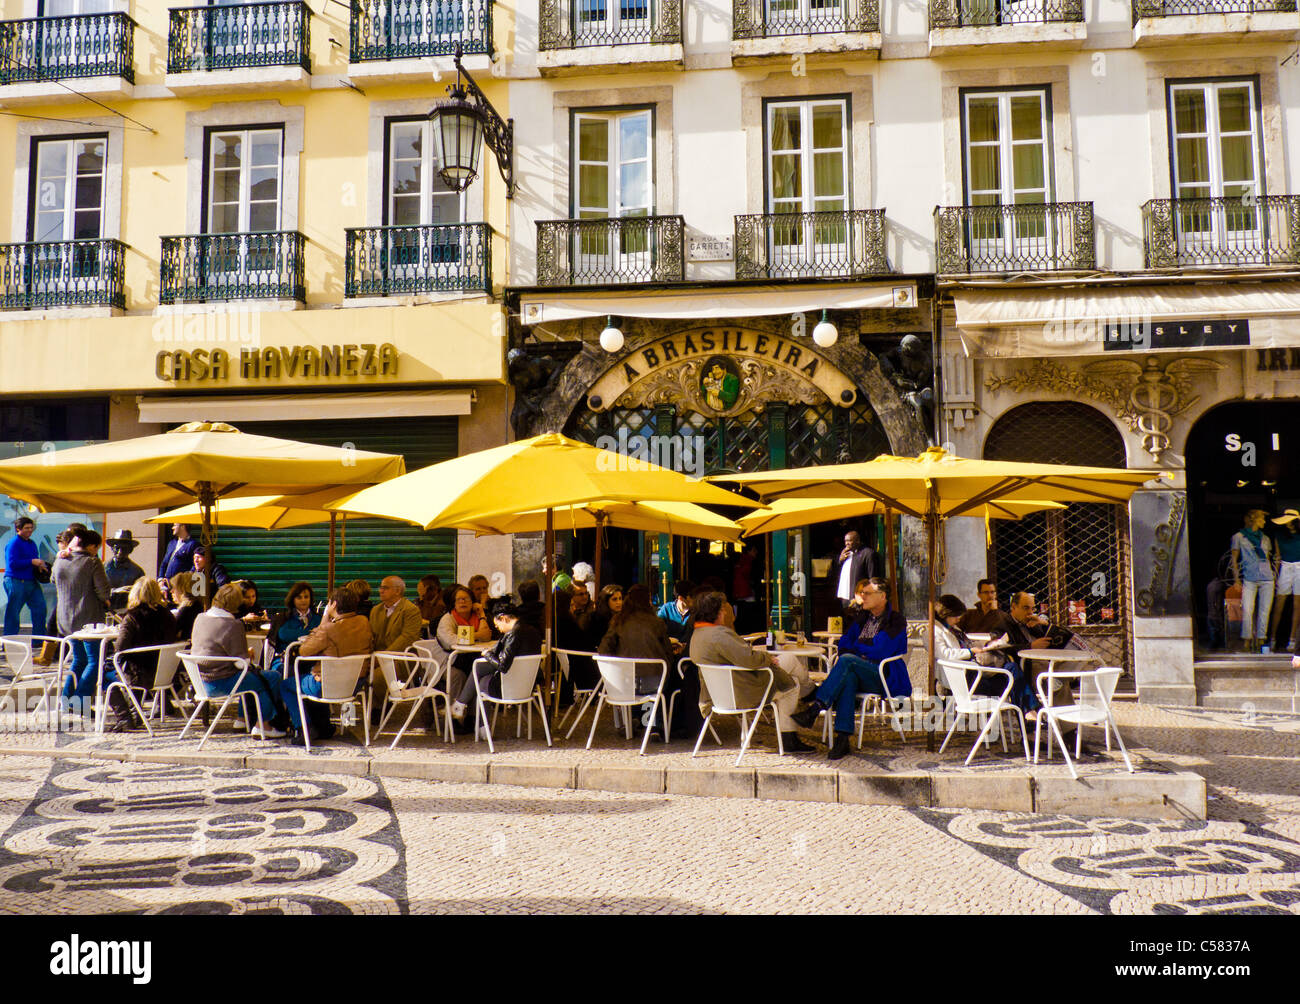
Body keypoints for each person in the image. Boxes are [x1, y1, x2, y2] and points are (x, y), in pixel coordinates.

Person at [793, 577, 909, 760]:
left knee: (847, 661)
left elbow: (880, 651)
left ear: (883, 596)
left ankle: (816, 706)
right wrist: (861, 649)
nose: (863, 596)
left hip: (882, 676)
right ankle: (842, 739)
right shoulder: (862, 618)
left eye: (868, 593)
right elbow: (844, 643)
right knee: (848, 678)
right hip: (858, 671)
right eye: (862, 593)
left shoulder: (895, 620)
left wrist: (857, 648)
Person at [688, 590, 810, 751]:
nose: (725, 612)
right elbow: (749, 659)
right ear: (715, 612)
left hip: (719, 695)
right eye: (722, 609)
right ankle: (791, 732)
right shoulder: (719, 634)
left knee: (789, 662)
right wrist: (767, 658)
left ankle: (810, 693)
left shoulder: (697, 634)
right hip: (743, 694)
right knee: (792, 683)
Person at [190, 582, 284, 739]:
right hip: (221, 683)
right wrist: (247, 654)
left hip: (200, 681)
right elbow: (242, 663)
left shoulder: (200, 617)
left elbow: (213, 648)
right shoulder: (233, 625)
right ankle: (264, 725)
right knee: (271, 677)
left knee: (251, 677)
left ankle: (242, 719)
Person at [283, 585, 373, 742]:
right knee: (316, 678)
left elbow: (304, 651)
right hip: (355, 685)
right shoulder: (364, 622)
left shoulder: (328, 629)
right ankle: (324, 727)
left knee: (286, 685)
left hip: (328, 687)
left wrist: (324, 618)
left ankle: (303, 728)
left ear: (334, 605)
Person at [597, 584, 682, 738]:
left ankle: (638, 718)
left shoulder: (618, 622)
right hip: (653, 681)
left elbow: (604, 650)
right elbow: (668, 653)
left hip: (623, 684)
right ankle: (653, 724)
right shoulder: (657, 623)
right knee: (665, 680)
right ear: (647, 602)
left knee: (642, 680)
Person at [933, 594, 1037, 718]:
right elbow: (946, 654)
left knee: (1012, 669)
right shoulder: (933, 632)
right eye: (955, 616)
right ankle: (1031, 712)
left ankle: (1029, 714)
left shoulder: (953, 628)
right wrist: (971, 651)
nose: (958, 619)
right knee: (1012, 675)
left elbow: (967, 644)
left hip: (973, 673)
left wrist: (987, 645)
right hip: (965, 679)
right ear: (945, 614)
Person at [109, 577, 181, 731]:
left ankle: (125, 717)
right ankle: (153, 707)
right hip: (165, 674)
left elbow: (120, 648)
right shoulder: (168, 615)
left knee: (104, 674)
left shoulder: (132, 617)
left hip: (140, 674)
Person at [54, 528, 112, 712]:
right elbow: (104, 592)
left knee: (79, 660)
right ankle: (79, 702)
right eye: (97, 548)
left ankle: (66, 700)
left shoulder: (60, 561)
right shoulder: (92, 562)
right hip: (89, 621)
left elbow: (53, 579)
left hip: (65, 620)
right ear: (92, 546)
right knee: (95, 661)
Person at [436, 584, 493, 702]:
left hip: (470, 657)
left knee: (481, 673)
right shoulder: (448, 619)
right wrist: (477, 635)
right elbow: (450, 641)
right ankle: (455, 713)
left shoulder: (476, 616)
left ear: (473, 602)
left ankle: (473, 715)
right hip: (449, 661)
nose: (463, 602)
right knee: (460, 676)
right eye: (459, 599)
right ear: (454, 603)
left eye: (466, 599)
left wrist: (481, 614)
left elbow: (486, 637)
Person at [1231, 509, 1276, 654]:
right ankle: (1247, 640)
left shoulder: (1265, 538)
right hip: (1249, 577)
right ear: (1254, 520)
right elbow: (1234, 560)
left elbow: (1267, 559)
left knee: (1264, 610)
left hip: (1266, 578)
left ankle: (1261, 640)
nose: (1263, 521)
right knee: (1248, 609)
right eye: (1261, 518)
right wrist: (1236, 579)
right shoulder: (1239, 537)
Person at [4, 516, 49, 638]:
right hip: (16, 580)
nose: (30, 530)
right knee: (13, 612)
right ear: (18, 529)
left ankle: (39, 639)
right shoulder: (14, 543)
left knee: (40, 609)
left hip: (31, 580)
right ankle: (10, 640)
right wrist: (31, 562)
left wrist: (39, 566)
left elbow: (34, 560)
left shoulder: (32, 543)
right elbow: (12, 563)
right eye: (26, 528)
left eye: (31, 528)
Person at [267, 581, 320, 676]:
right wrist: (309, 632)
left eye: (306, 597)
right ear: (293, 599)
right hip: (286, 659)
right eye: (299, 597)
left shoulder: (318, 618)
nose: (303, 600)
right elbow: (283, 634)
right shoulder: (283, 618)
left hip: (311, 659)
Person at [1269, 509, 1300, 653]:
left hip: (1299, 567)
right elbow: (1278, 557)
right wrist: (1275, 575)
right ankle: (1273, 638)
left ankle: (1292, 639)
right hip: (1285, 567)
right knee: (1279, 604)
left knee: (1297, 605)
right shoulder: (1279, 535)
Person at [831, 530, 877, 610]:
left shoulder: (867, 553)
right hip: (845, 596)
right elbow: (833, 572)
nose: (847, 543)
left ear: (858, 541)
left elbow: (872, 577)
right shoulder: (846, 554)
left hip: (859, 597)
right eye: (845, 541)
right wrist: (840, 560)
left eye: (849, 541)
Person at [657, 579, 694, 644]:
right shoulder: (667, 609)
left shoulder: (695, 612)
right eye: (692, 597)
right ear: (681, 598)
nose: (695, 600)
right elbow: (657, 629)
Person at [587, 583, 623, 649]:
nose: (619, 602)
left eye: (620, 598)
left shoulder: (624, 617)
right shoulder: (596, 619)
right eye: (614, 599)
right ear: (606, 601)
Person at [169, 571, 202, 642]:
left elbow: (171, 633)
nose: (171, 591)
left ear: (183, 589)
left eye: (174, 588)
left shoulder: (186, 609)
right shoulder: (198, 605)